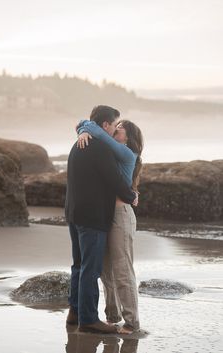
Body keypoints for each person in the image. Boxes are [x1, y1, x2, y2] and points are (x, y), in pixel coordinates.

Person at [65, 105, 137, 334]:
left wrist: (82, 129)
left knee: (78, 265)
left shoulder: (78, 144)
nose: (116, 128)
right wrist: (131, 195)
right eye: (115, 124)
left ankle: (75, 312)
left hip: (73, 213)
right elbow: (115, 180)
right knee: (91, 269)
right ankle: (88, 319)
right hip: (92, 217)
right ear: (105, 125)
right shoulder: (99, 148)